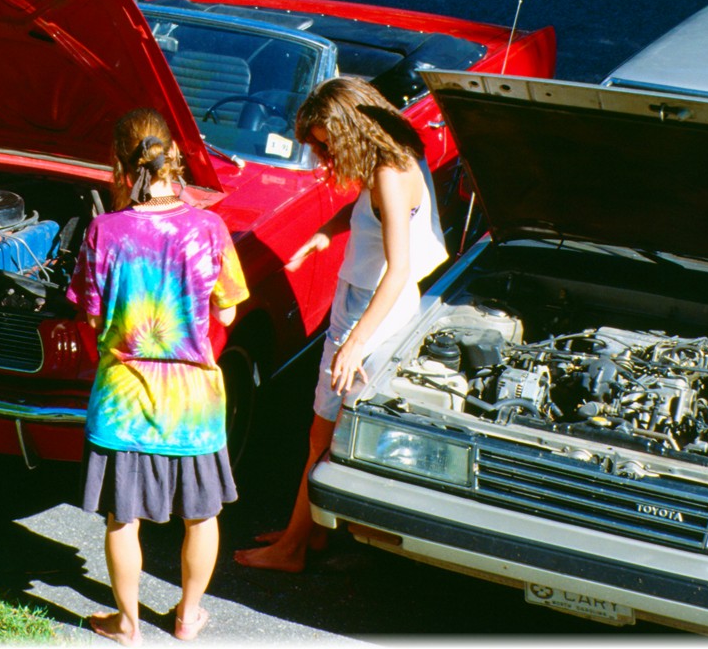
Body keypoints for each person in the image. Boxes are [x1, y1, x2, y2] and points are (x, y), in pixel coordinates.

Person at [234, 76, 448, 573]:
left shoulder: (389, 177)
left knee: (322, 436)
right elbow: (371, 220)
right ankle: (312, 534)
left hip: (370, 311)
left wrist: (354, 343)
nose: (325, 159)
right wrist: (325, 236)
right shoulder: (398, 154)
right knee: (331, 433)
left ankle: (290, 548)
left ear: (347, 129)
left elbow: (398, 269)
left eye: (326, 146)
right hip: (368, 304)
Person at [66, 108, 250, 646]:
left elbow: (93, 317)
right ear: (175, 158)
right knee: (201, 515)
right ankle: (188, 618)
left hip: (123, 398)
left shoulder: (105, 232)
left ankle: (127, 625)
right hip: (193, 403)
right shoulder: (209, 228)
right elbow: (228, 311)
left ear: (122, 165)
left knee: (123, 519)